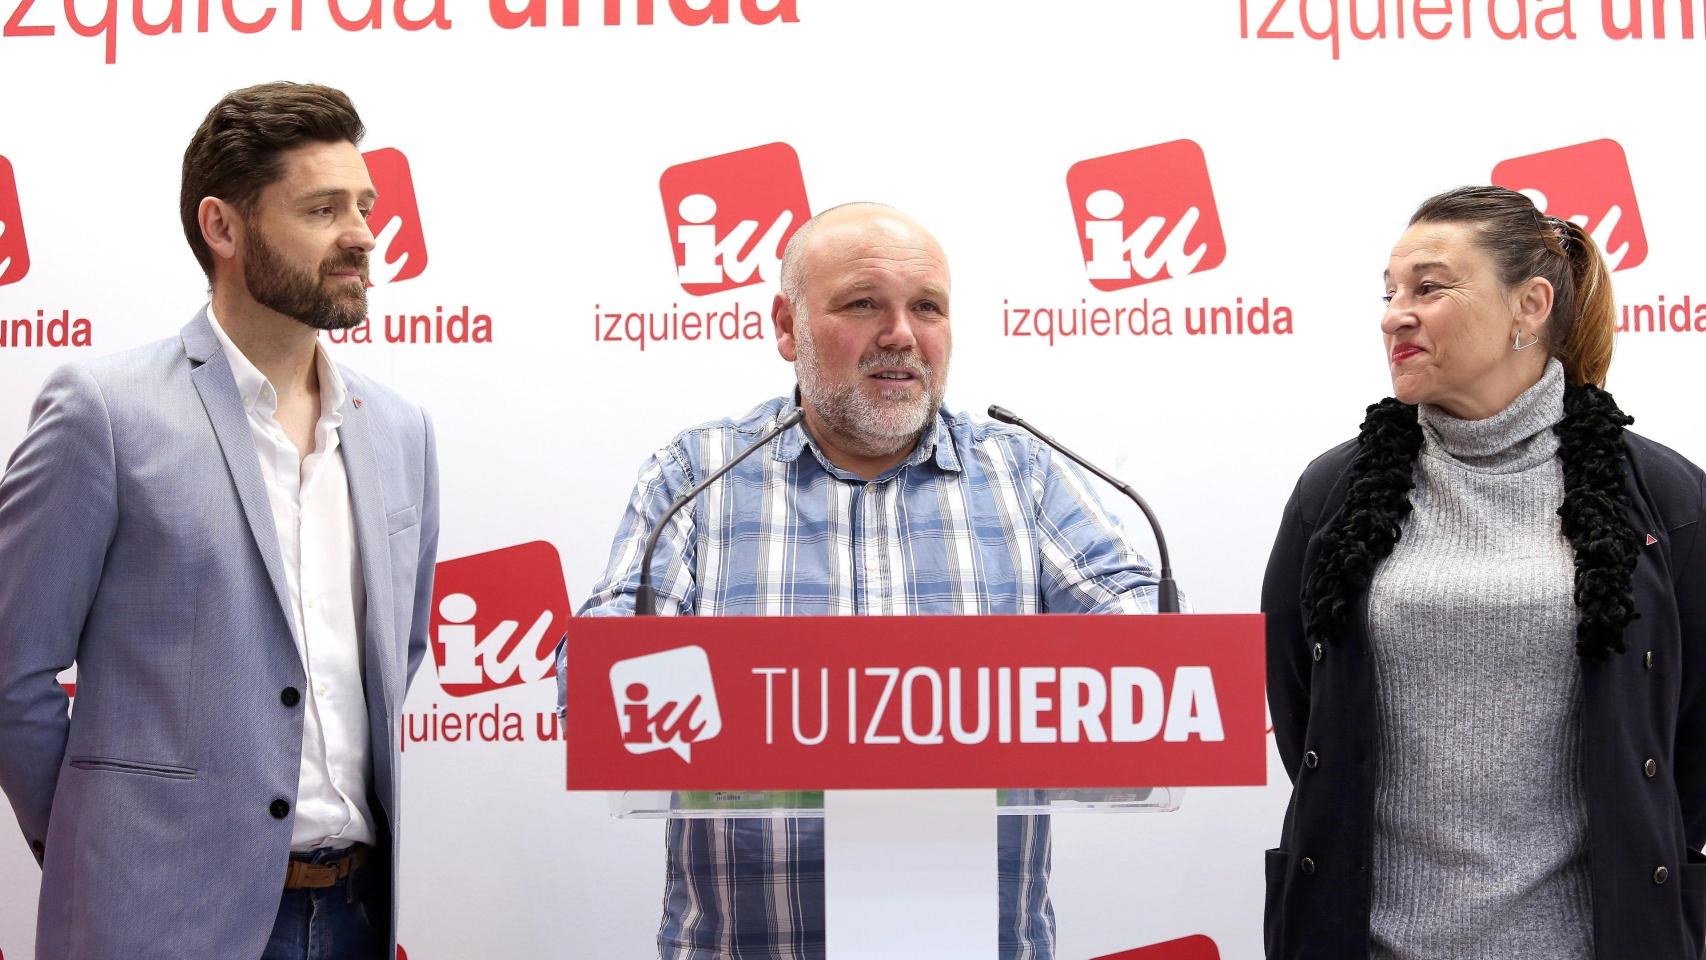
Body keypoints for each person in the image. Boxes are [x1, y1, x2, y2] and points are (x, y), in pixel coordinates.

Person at [572, 202, 1162, 959]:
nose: (901, 335)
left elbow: (1153, 649)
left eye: (928, 308)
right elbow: (598, 676)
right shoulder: (697, 473)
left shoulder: (1024, 472)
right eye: (862, 305)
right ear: (787, 326)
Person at [0, 82, 439, 960]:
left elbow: (402, 649)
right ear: (223, 228)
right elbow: (12, 669)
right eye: (322, 209)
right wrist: (99, 848)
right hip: (155, 918)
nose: (363, 234)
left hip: (356, 915)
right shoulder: (105, 412)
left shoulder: (400, 430)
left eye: (364, 205)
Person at [1262, 185, 1706, 958]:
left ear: (1529, 306)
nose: (1395, 315)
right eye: (1391, 293)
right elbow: (1306, 712)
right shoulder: (1331, 494)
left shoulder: (1666, 500)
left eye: (1429, 288)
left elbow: (1691, 746)